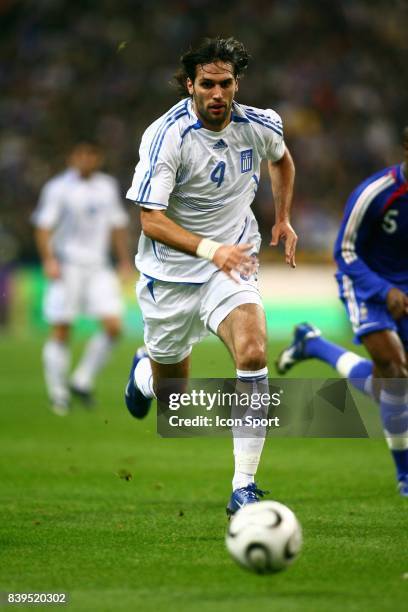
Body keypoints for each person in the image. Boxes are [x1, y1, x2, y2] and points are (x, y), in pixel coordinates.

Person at [124, 37, 297, 514]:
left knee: (254, 350)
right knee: (171, 398)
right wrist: (209, 249)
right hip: (171, 277)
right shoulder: (166, 136)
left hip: (234, 262)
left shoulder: (261, 124)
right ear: (190, 86)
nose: (217, 93)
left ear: (236, 84)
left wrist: (282, 218)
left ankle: (243, 486)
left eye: (225, 83)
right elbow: (150, 219)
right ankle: (143, 374)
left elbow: (281, 158)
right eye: (207, 84)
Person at [277, 127, 408, 497]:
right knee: (396, 373)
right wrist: (385, 290)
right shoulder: (375, 194)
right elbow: (345, 252)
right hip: (367, 285)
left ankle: (314, 344)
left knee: (391, 389)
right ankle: (405, 476)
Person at [32, 141, 132, 415]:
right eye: (81, 155)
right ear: (72, 158)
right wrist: (48, 259)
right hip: (67, 265)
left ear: (98, 158)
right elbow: (43, 227)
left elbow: (118, 224)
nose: (86, 160)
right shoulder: (58, 188)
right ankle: (58, 394)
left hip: (98, 266)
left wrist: (123, 260)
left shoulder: (107, 185)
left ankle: (81, 380)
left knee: (113, 327)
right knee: (62, 328)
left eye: (91, 155)